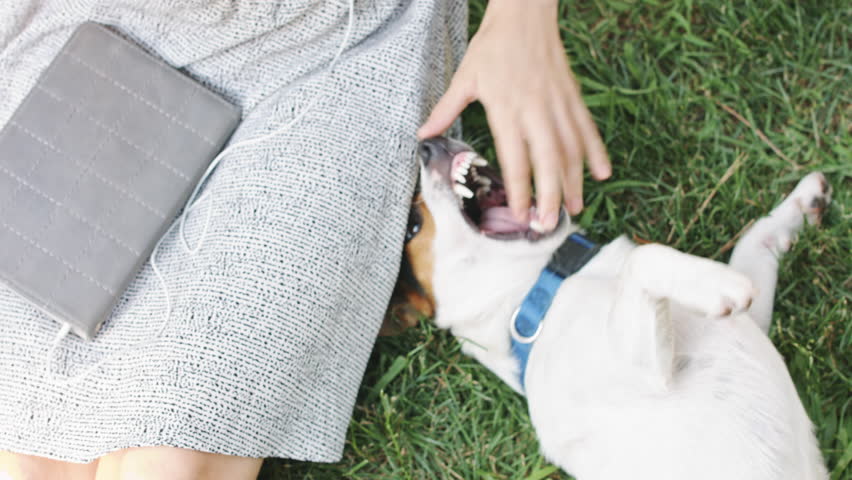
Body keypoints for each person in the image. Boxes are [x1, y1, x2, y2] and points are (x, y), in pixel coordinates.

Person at [0, 0, 609, 479]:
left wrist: (521, 14)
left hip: (357, 40)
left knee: (176, 459)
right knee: (24, 460)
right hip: (102, 26)